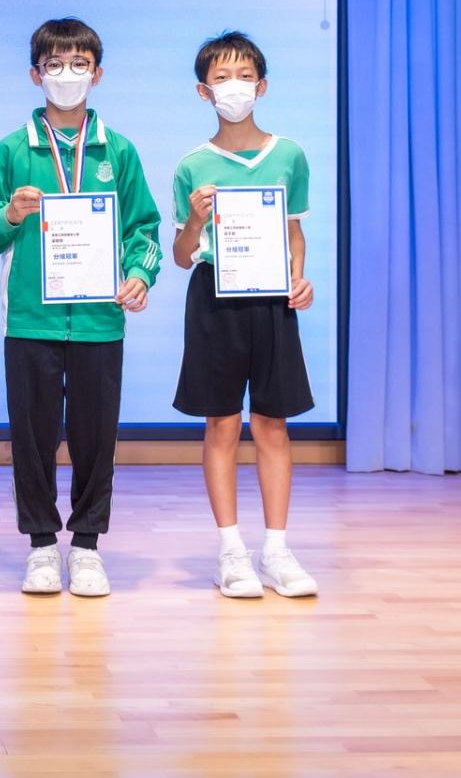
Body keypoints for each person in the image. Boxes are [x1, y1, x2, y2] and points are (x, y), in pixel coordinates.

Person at [0, 16, 163, 600]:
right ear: (36, 74)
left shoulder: (118, 151)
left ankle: (88, 547)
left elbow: (144, 227)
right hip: (30, 320)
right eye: (55, 65)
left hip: (100, 321)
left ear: (97, 74)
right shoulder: (11, 150)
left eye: (79, 64)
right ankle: (42, 546)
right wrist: (11, 214)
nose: (67, 74)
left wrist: (139, 274)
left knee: (97, 438)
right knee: (32, 438)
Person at [170, 31, 319, 600]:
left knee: (274, 423)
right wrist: (193, 219)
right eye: (222, 77)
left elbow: (294, 232)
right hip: (214, 298)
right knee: (223, 424)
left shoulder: (289, 155)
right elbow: (182, 255)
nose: (235, 86)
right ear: (203, 91)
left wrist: (298, 278)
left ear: (262, 85)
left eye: (245, 76)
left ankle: (276, 551)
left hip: (272, 298)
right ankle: (230, 552)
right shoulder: (192, 166)